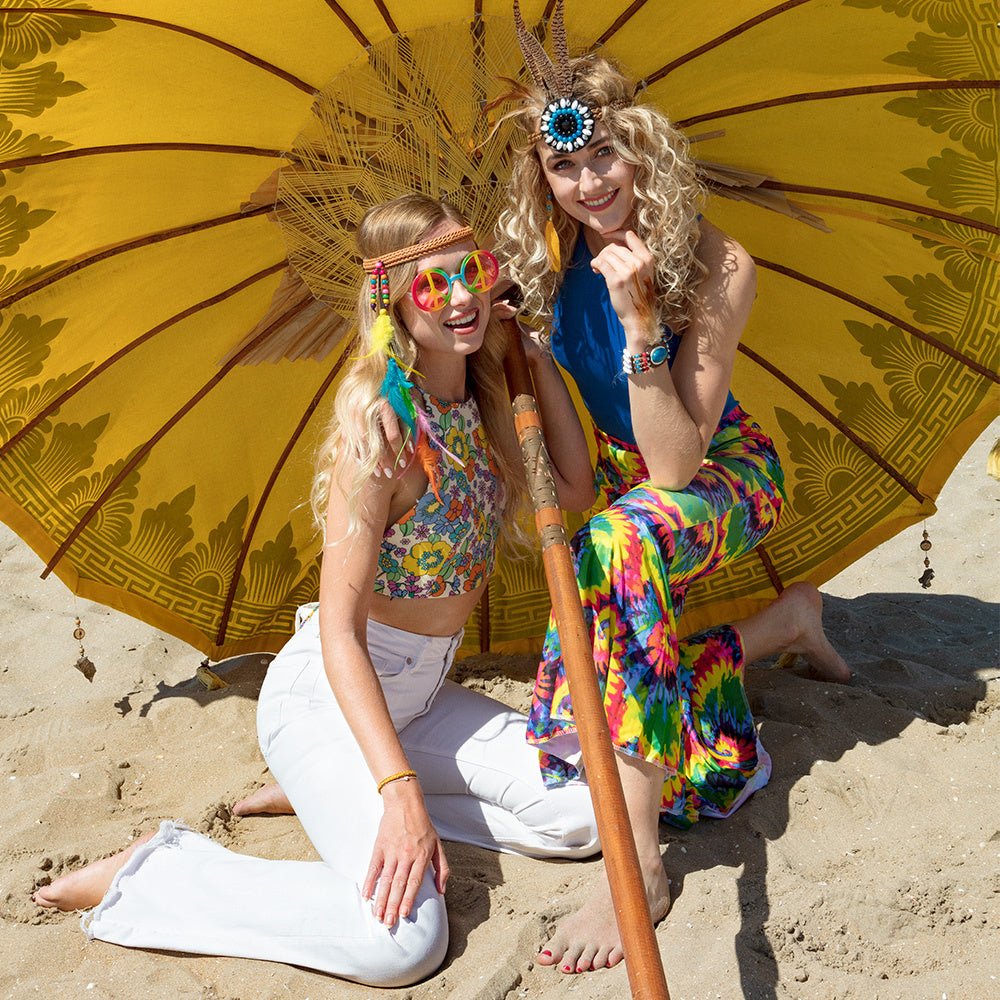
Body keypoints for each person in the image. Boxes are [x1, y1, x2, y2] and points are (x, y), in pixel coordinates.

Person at [33, 194, 602, 988]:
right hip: (328, 699)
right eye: (432, 285)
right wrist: (398, 793)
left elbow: (573, 488)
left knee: (583, 814)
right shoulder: (382, 437)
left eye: (472, 271)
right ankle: (155, 872)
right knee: (403, 946)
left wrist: (532, 358)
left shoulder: (482, 403)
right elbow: (339, 634)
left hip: (418, 702)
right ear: (391, 304)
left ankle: (335, 798)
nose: (462, 296)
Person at [493, 5, 852, 977]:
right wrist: (524, 349)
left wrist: (642, 322)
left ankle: (639, 863)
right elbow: (584, 475)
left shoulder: (719, 262)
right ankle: (785, 624)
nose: (588, 182)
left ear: (640, 147)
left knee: (620, 546)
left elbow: (675, 469)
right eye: (563, 166)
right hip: (625, 478)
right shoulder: (549, 263)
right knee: (607, 622)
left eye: (603, 154)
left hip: (721, 470)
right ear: (541, 177)